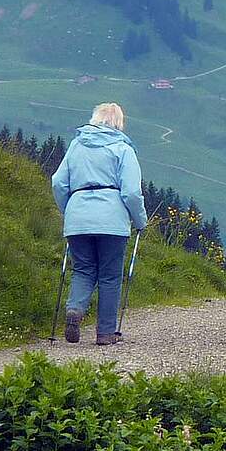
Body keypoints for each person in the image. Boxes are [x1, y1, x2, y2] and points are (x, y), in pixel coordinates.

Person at [50, 103, 147, 345]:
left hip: (78, 217)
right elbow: (132, 193)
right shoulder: (123, 149)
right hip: (112, 221)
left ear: (94, 119)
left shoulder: (76, 145)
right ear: (119, 123)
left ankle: (75, 310)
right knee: (110, 276)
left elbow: (58, 183)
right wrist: (140, 221)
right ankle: (105, 333)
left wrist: (69, 210)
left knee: (83, 269)